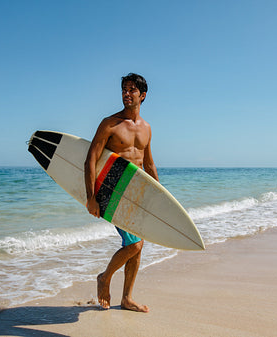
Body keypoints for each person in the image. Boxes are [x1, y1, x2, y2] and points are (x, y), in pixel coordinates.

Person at [84, 73, 158, 313]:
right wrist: (91, 196)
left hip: (135, 191)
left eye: (132, 90)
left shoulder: (146, 128)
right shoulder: (110, 124)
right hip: (112, 188)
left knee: (137, 244)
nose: (127, 93)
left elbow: (148, 164)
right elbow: (91, 159)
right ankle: (104, 278)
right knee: (134, 245)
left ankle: (127, 298)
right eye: (124, 89)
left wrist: (159, 196)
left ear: (142, 95)